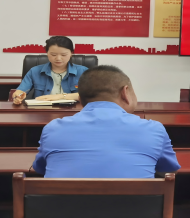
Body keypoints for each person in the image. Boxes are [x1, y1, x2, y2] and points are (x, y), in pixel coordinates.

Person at [33, 65, 180, 178]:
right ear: (125, 92)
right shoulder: (154, 129)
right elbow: (168, 170)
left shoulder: (53, 129)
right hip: (135, 207)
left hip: (62, 207)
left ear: (80, 98)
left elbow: (40, 168)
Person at [12, 36, 89, 104]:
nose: (58, 58)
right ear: (47, 53)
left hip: (75, 111)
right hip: (42, 111)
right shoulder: (34, 71)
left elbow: (90, 95)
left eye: (63, 55)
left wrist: (61, 96)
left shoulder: (84, 72)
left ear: (71, 53)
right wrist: (18, 96)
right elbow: (21, 90)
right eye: (53, 55)